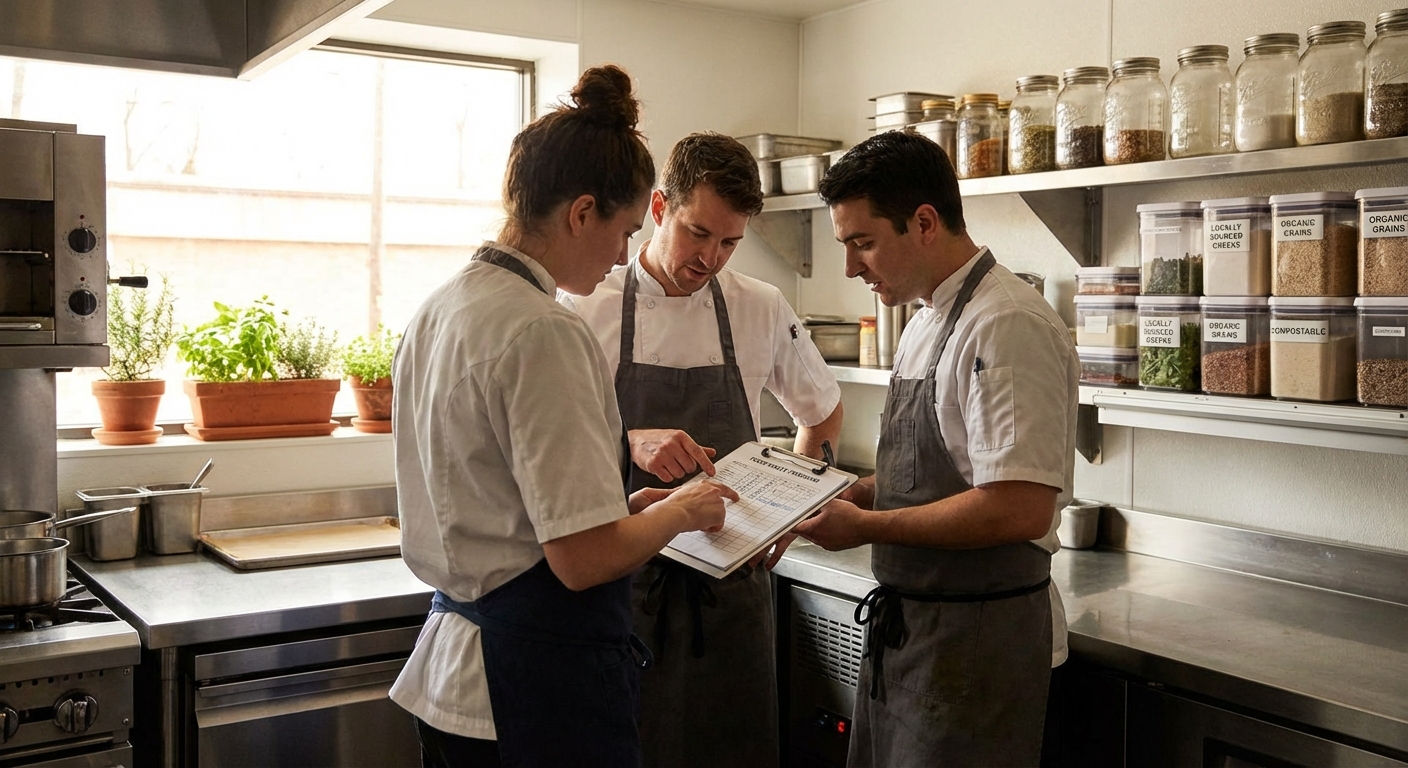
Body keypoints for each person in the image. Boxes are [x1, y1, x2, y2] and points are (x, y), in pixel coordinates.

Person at [388, 65, 738, 768]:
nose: (619, 256)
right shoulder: (543, 329)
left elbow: (508, 501)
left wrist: (627, 506)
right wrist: (681, 511)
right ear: (581, 212)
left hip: (455, 676)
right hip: (529, 687)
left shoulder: (441, 307)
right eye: (622, 231)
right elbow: (580, 562)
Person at [793, 130, 1078, 767]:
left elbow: (1018, 507)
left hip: (974, 645)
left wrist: (865, 524)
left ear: (924, 222)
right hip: (912, 635)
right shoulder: (926, 317)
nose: (851, 267)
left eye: (862, 243)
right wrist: (836, 492)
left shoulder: (1006, 323)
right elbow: (929, 472)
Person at [565, 132, 843, 767]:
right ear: (659, 208)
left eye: (729, 243)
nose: (710, 257)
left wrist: (794, 511)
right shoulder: (584, 308)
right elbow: (554, 451)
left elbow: (823, 415)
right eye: (697, 233)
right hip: (624, 586)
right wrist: (626, 438)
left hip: (732, 593)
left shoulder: (760, 308)